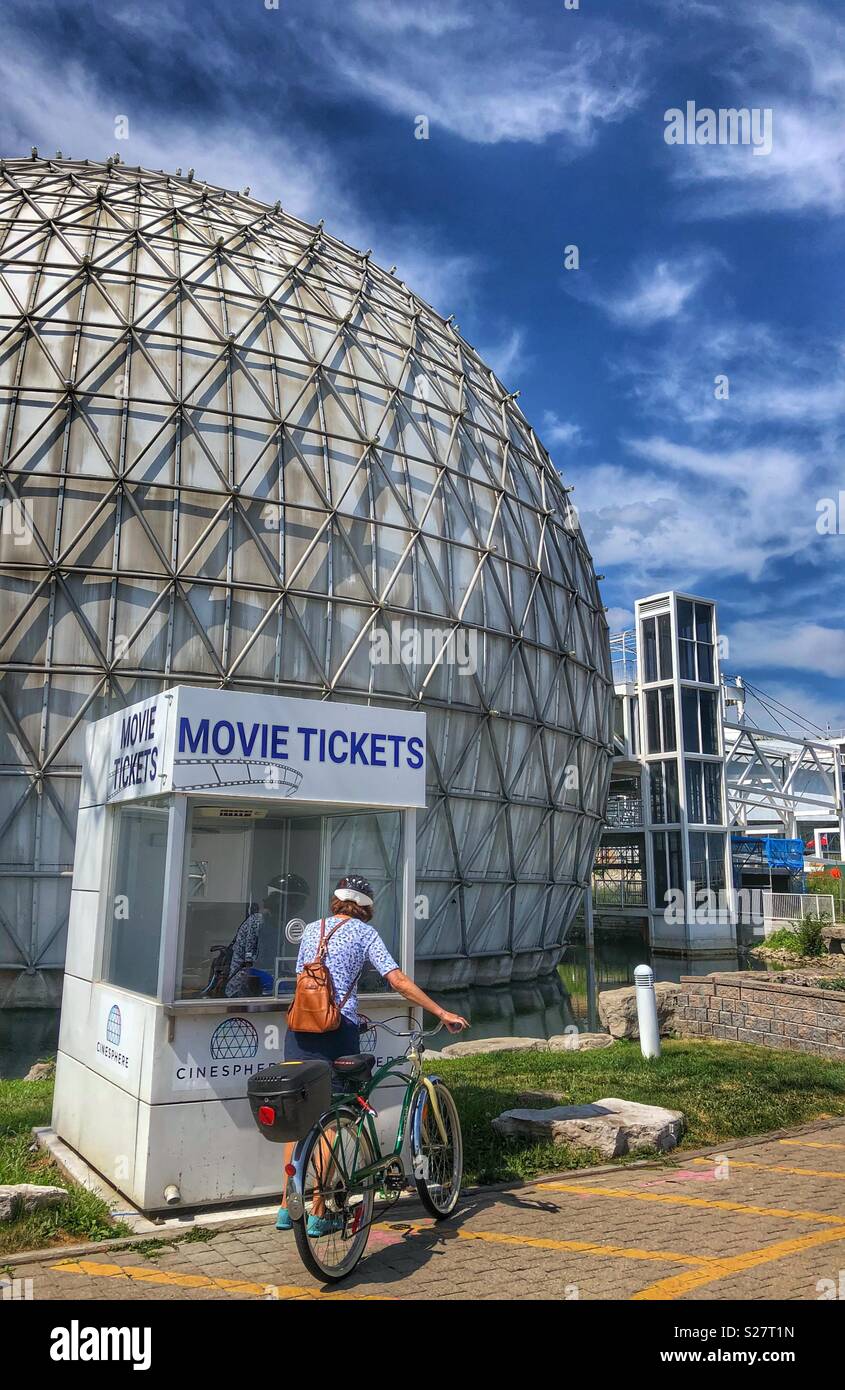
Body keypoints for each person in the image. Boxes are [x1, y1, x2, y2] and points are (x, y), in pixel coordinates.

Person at [277, 873, 468, 1235]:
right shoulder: (365, 933)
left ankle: (287, 1208)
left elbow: (313, 982)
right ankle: (318, 1212)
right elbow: (397, 981)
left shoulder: (312, 929)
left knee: (301, 1121)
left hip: (298, 1031)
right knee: (332, 1118)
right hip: (335, 1035)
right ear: (365, 905)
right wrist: (440, 1012)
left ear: (336, 900)